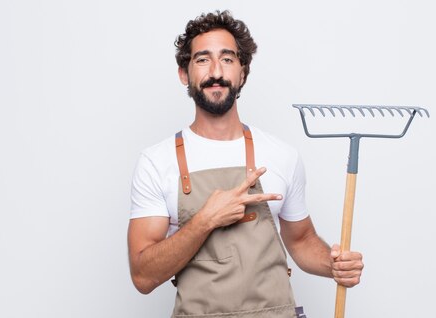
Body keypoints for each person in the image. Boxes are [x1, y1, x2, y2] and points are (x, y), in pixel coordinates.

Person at [127, 10, 363, 317]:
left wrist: (333, 265)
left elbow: (302, 240)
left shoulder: (281, 155)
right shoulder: (156, 162)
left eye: (227, 59)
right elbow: (143, 276)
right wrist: (205, 220)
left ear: (242, 72)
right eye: (202, 59)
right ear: (184, 74)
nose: (216, 71)